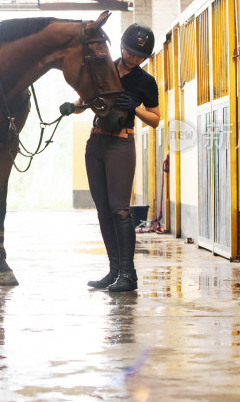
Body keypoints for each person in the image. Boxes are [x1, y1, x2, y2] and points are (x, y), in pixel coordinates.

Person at [59, 23, 160, 292]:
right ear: (122, 47)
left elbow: (156, 120)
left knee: (120, 209)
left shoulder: (145, 82)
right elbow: (85, 101)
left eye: (139, 56)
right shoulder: (105, 69)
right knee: (103, 209)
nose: (133, 58)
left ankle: (129, 274)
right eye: (129, 51)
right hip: (96, 143)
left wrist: (136, 109)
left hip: (121, 145)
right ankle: (114, 270)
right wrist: (73, 107)